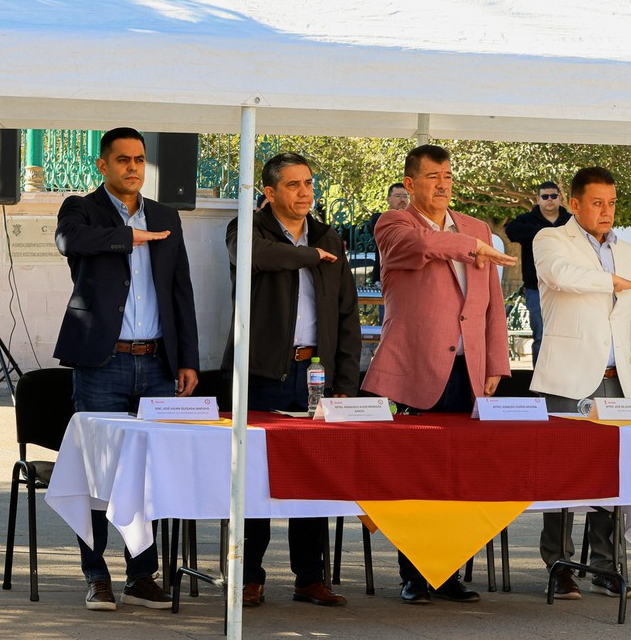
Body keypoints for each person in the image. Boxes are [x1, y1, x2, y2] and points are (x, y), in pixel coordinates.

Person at [361, 144, 516, 605]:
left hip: (469, 371)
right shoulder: (395, 224)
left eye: (448, 176)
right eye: (433, 177)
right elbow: (425, 246)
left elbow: (491, 305)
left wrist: (495, 362)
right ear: (410, 184)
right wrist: (473, 248)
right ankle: (414, 574)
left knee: (462, 477)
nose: (443, 184)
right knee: (416, 477)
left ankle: (449, 572)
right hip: (418, 370)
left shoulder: (476, 228)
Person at [54, 126, 200, 612]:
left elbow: (180, 290)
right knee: (97, 475)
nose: (133, 167)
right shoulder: (81, 208)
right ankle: (96, 576)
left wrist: (188, 359)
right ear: (103, 165)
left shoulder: (165, 215)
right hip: (103, 362)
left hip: (156, 364)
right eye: (123, 160)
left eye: (139, 159)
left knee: (150, 475)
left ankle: (141, 575)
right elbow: (68, 241)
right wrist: (128, 238)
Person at [224, 151, 360, 608]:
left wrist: (345, 383)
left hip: (315, 374)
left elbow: (346, 314)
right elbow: (257, 256)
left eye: (308, 183)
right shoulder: (248, 228)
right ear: (269, 192)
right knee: (255, 479)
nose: (305, 193)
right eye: (293, 185)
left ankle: (309, 578)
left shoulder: (328, 237)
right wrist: (308, 255)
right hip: (263, 374)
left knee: (313, 477)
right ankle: (248, 577)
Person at [529, 166, 631, 601]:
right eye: (597, 203)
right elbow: (561, 276)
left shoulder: (627, 249)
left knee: (613, 476)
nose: (606, 211)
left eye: (612, 203)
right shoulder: (550, 240)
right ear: (574, 204)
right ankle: (559, 566)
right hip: (568, 379)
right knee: (560, 475)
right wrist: (611, 281)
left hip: (619, 383)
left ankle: (605, 565)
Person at [503, 181, 571, 364]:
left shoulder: (571, 221)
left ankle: (564, 378)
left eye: (553, 196)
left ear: (559, 197)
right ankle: (540, 380)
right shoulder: (526, 220)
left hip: (567, 288)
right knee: (541, 336)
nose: (549, 200)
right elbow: (511, 231)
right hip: (536, 289)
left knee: (567, 336)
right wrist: (544, 232)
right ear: (538, 199)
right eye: (545, 196)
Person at [366, 182, 409, 286]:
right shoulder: (379, 219)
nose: (402, 199)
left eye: (405, 196)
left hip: (408, 280)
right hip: (384, 280)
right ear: (388, 199)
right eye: (398, 196)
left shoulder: (415, 222)